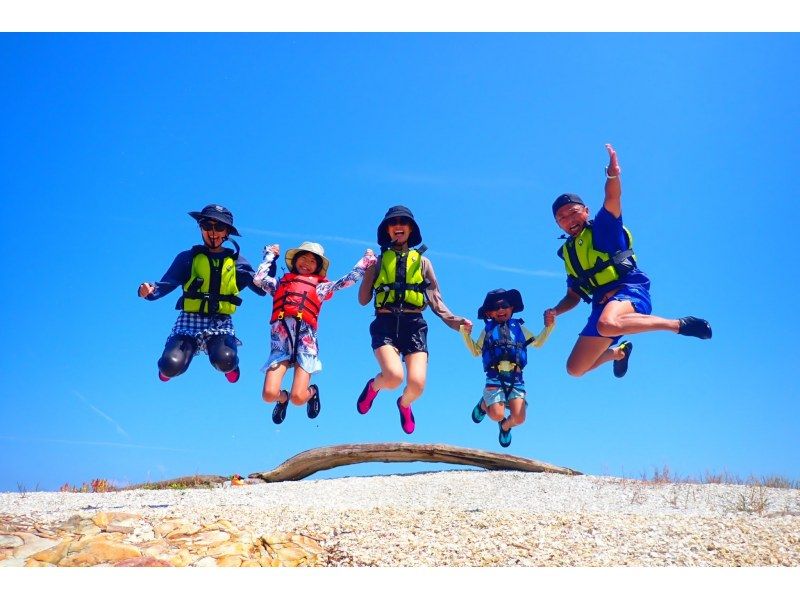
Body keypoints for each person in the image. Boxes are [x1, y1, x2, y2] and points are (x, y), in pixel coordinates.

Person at [544, 144, 712, 379]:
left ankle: (679, 325)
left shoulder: (604, 227)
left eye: (573, 212)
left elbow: (613, 197)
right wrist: (555, 311)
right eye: (561, 217)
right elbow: (573, 296)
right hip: (602, 306)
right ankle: (619, 353)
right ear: (558, 224)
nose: (568, 219)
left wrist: (613, 175)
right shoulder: (568, 254)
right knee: (575, 368)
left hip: (629, 291)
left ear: (585, 211)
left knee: (607, 324)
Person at [356, 205, 472, 434]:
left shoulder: (423, 263)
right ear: (387, 231)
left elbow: (435, 300)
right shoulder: (378, 262)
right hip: (385, 323)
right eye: (393, 223)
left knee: (417, 385)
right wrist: (367, 270)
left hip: (414, 325)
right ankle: (373, 387)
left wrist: (456, 322)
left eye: (403, 222)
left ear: (410, 229)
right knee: (393, 377)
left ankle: (404, 404)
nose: (398, 226)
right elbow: (363, 299)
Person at [138, 204, 268, 382]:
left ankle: (231, 366)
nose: (213, 232)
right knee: (170, 365)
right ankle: (167, 369)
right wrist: (149, 291)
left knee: (225, 360)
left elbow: (261, 288)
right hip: (189, 319)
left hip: (220, 321)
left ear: (226, 232)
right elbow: (166, 283)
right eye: (207, 226)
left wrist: (270, 264)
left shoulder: (237, 262)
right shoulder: (187, 258)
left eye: (219, 227)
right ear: (200, 227)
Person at [254, 241, 377, 424]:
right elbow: (259, 278)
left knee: (298, 398)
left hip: (305, 343)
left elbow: (347, 280)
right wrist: (270, 256)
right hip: (281, 343)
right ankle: (282, 399)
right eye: (303, 257)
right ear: (295, 260)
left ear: (318, 267)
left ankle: (312, 392)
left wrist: (365, 261)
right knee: (269, 394)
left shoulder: (320, 287)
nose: (306, 262)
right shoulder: (281, 284)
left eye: (312, 261)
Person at [461, 289, 553, 447]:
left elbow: (538, 342)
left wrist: (549, 326)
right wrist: (465, 333)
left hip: (516, 380)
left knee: (519, 418)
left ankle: (505, 427)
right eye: (496, 307)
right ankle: (484, 404)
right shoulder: (488, 330)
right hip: (494, 378)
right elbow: (476, 351)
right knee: (497, 415)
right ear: (489, 313)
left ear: (512, 308)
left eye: (505, 305)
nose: (501, 309)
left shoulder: (519, 328)